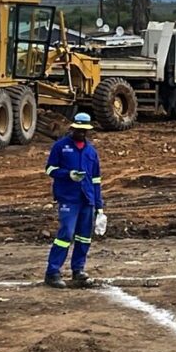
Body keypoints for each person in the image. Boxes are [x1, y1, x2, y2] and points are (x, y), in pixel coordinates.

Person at [43, 112, 104, 288]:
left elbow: (96, 180)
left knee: (84, 237)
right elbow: (49, 169)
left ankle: (78, 270)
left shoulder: (91, 152)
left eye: (84, 131)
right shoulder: (60, 147)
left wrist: (99, 207)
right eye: (78, 130)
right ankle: (52, 272)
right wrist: (67, 174)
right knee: (66, 234)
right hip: (68, 198)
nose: (81, 134)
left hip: (87, 199)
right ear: (73, 128)